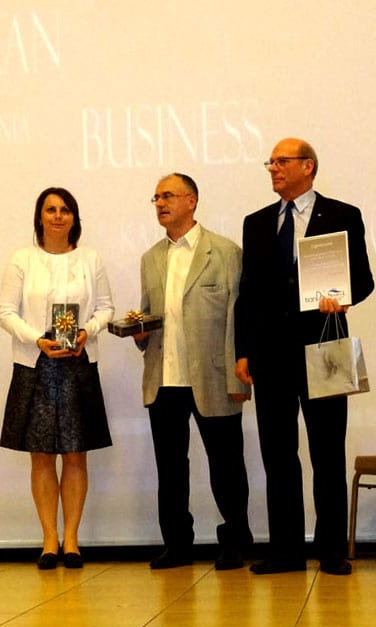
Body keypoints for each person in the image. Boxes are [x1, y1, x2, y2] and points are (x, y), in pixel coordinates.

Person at [234, 138, 374, 575]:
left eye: (282, 161)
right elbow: (248, 294)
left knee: (328, 453)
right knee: (278, 455)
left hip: (324, 346)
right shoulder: (257, 222)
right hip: (270, 354)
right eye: (270, 162)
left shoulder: (343, 215)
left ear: (307, 166)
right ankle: (286, 551)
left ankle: (332, 550)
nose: (273, 168)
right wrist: (243, 351)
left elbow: (363, 280)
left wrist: (342, 297)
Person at [133, 173, 253, 570]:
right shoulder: (151, 258)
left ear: (191, 201)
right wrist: (138, 331)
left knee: (227, 465)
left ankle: (235, 541)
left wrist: (239, 375)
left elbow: (238, 318)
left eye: (167, 196)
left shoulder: (225, 252)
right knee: (170, 469)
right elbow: (148, 315)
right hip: (163, 379)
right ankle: (177, 544)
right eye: (156, 198)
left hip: (214, 377)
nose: (160, 203)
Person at [0, 186, 115, 570]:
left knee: (76, 454)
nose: (58, 216)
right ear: (40, 217)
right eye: (51, 210)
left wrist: (87, 332)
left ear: (74, 218)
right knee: (42, 456)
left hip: (78, 362)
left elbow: (106, 308)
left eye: (65, 210)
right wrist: (37, 339)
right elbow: (5, 312)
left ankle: (73, 540)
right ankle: (50, 539)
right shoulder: (22, 259)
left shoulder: (90, 258)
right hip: (35, 364)